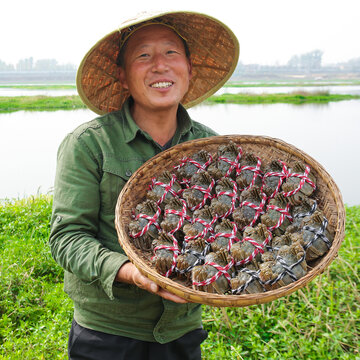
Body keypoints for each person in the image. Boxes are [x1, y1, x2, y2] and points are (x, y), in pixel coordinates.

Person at [49, 10, 239, 360]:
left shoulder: (211, 147)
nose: (160, 66)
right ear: (122, 76)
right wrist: (132, 273)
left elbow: (229, 228)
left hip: (182, 332)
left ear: (189, 68)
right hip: (107, 335)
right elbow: (67, 238)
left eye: (170, 53)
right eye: (143, 55)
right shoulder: (90, 145)